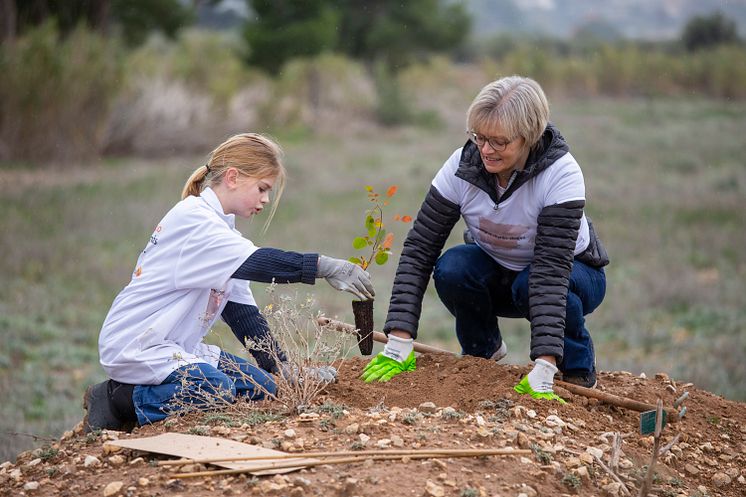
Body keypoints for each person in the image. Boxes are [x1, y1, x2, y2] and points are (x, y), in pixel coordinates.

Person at [83, 133, 375, 432]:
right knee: (214, 389)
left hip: (175, 345)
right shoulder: (195, 221)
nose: (266, 199)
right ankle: (115, 398)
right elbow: (259, 263)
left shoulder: (222, 231)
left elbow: (240, 311)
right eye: (262, 188)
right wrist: (323, 266)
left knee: (260, 388)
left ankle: (148, 394)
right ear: (233, 177)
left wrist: (280, 366)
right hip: (137, 343)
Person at [362, 76, 608, 402]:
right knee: (452, 267)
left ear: (528, 137)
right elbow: (420, 247)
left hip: (570, 275)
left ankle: (578, 367)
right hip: (501, 269)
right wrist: (399, 339)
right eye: (479, 137)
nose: (486, 151)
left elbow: (549, 273)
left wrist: (545, 364)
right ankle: (483, 352)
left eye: (499, 142)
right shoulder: (461, 167)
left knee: (530, 283)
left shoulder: (561, 174)